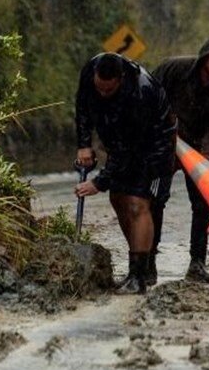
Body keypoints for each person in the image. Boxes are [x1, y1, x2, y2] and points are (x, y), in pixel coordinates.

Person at [74, 52, 176, 295]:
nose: (103, 94)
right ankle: (137, 268)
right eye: (99, 88)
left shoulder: (141, 92)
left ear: (120, 79)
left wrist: (98, 182)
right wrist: (84, 144)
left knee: (137, 204)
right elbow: (83, 107)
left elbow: (129, 150)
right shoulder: (90, 72)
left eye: (109, 90)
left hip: (153, 149)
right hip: (120, 144)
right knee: (118, 198)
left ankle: (139, 276)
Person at [150, 33, 209, 285]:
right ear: (205, 57)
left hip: (199, 150)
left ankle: (197, 262)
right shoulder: (174, 69)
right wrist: (160, 127)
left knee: (202, 206)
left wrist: (207, 154)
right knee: (155, 200)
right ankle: (147, 261)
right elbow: (149, 95)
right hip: (166, 143)